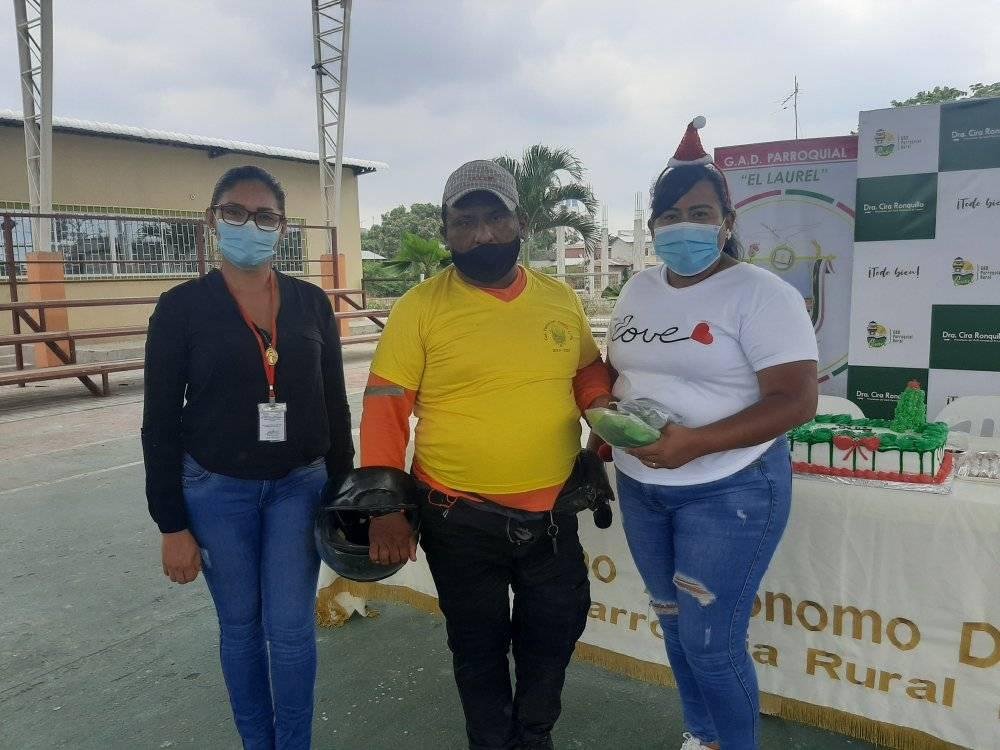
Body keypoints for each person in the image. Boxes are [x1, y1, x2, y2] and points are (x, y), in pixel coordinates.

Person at [358, 160, 612, 750]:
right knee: (477, 647)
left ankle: (535, 735)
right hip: (457, 517)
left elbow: (586, 371)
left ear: (520, 222)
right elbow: (386, 409)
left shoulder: (559, 299)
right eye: (464, 222)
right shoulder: (420, 307)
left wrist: (601, 408)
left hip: (552, 516)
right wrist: (385, 507)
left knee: (553, 636)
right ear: (446, 231)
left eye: (494, 218)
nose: (481, 235)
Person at [602, 119, 818, 750]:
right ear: (652, 228)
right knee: (674, 626)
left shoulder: (761, 294)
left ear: (727, 220)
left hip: (730, 489)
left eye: (699, 213)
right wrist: (599, 441)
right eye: (669, 216)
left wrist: (694, 444)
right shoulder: (638, 288)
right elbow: (620, 375)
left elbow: (797, 400)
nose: (683, 226)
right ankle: (703, 736)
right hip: (642, 487)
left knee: (711, 642)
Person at [141, 165, 354, 750]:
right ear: (213, 220)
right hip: (216, 490)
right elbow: (159, 422)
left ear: (282, 228)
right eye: (235, 212)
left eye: (265, 216)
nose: (249, 226)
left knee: (290, 630)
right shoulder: (180, 308)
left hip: (299, 487)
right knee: (240, 629)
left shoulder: (311, 304)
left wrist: (344, 497)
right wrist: (171, 525)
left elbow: (335, 405)